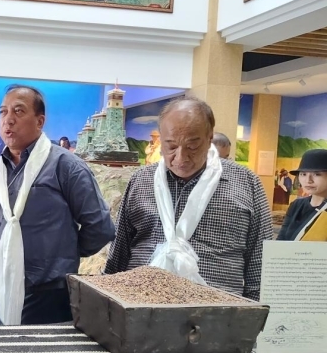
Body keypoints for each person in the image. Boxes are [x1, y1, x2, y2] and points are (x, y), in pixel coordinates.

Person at [104, 97, 272, 300]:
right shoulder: (141, 180)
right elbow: (119, 253)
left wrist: (257, 309)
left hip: (218, 310)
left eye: (192, 146)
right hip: (142, 305)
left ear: (209, 138)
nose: (181, 158)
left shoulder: (246, 182)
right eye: (171, 146)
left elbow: (260, 261)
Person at [0, 85, 115, 325]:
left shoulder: (66, 167)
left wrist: (63, 253)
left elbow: (100, 228)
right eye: (3, 112)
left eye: (18, 111)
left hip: (49, 298)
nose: (8, 119)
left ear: (40, 121)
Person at [277, 149, 327, 241]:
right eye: (303, 174)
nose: (308, 180)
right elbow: (281, 240)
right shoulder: (296, 205)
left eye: (317, 174)